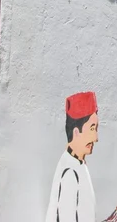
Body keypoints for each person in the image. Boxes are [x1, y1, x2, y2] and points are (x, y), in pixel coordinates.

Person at [45, 91, 99, 222]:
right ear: (76, 132)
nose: (96, 138)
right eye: (92, 129)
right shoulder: (70, 171)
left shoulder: (77, 163)